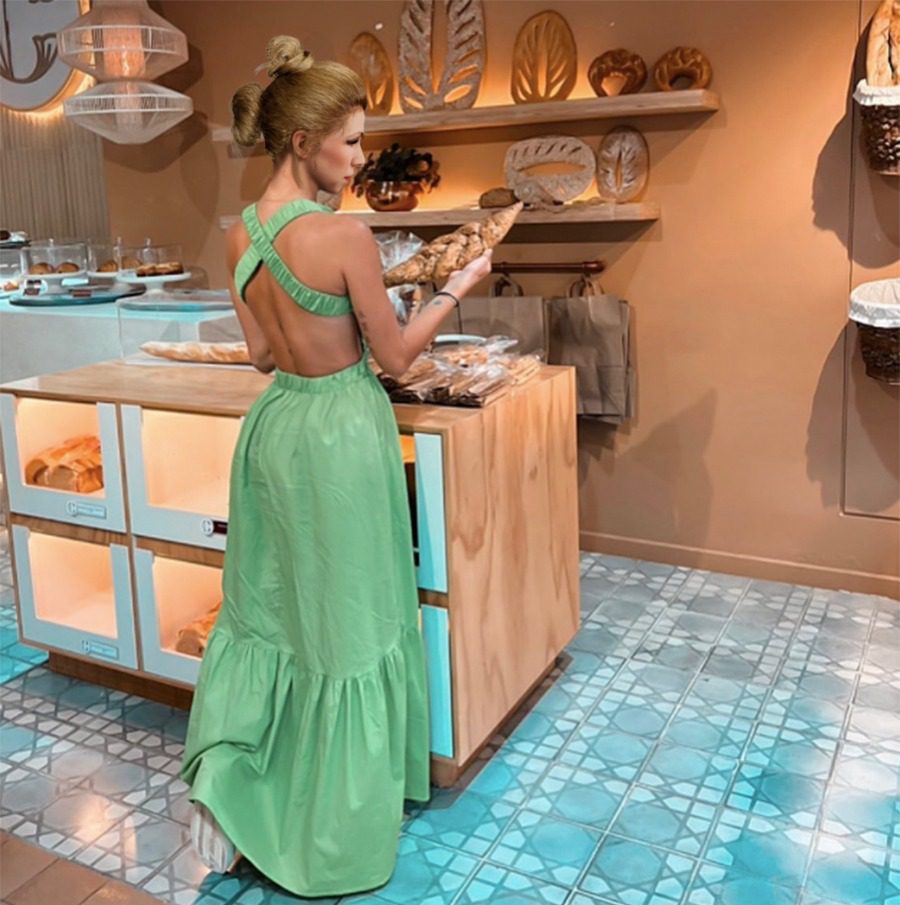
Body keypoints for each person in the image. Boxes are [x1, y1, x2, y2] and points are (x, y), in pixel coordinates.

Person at [179, 35, 492, 899]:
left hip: (276, 432)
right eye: (350, 142)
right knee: (350, 617)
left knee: (275, 612)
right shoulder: (345, 235)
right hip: (342, 434)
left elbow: (260, 355)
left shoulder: (241, 233)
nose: (359, 159)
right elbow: (396, 358)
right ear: (301, 140)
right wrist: (458, 285)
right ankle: (336, 814)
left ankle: (246, 782)